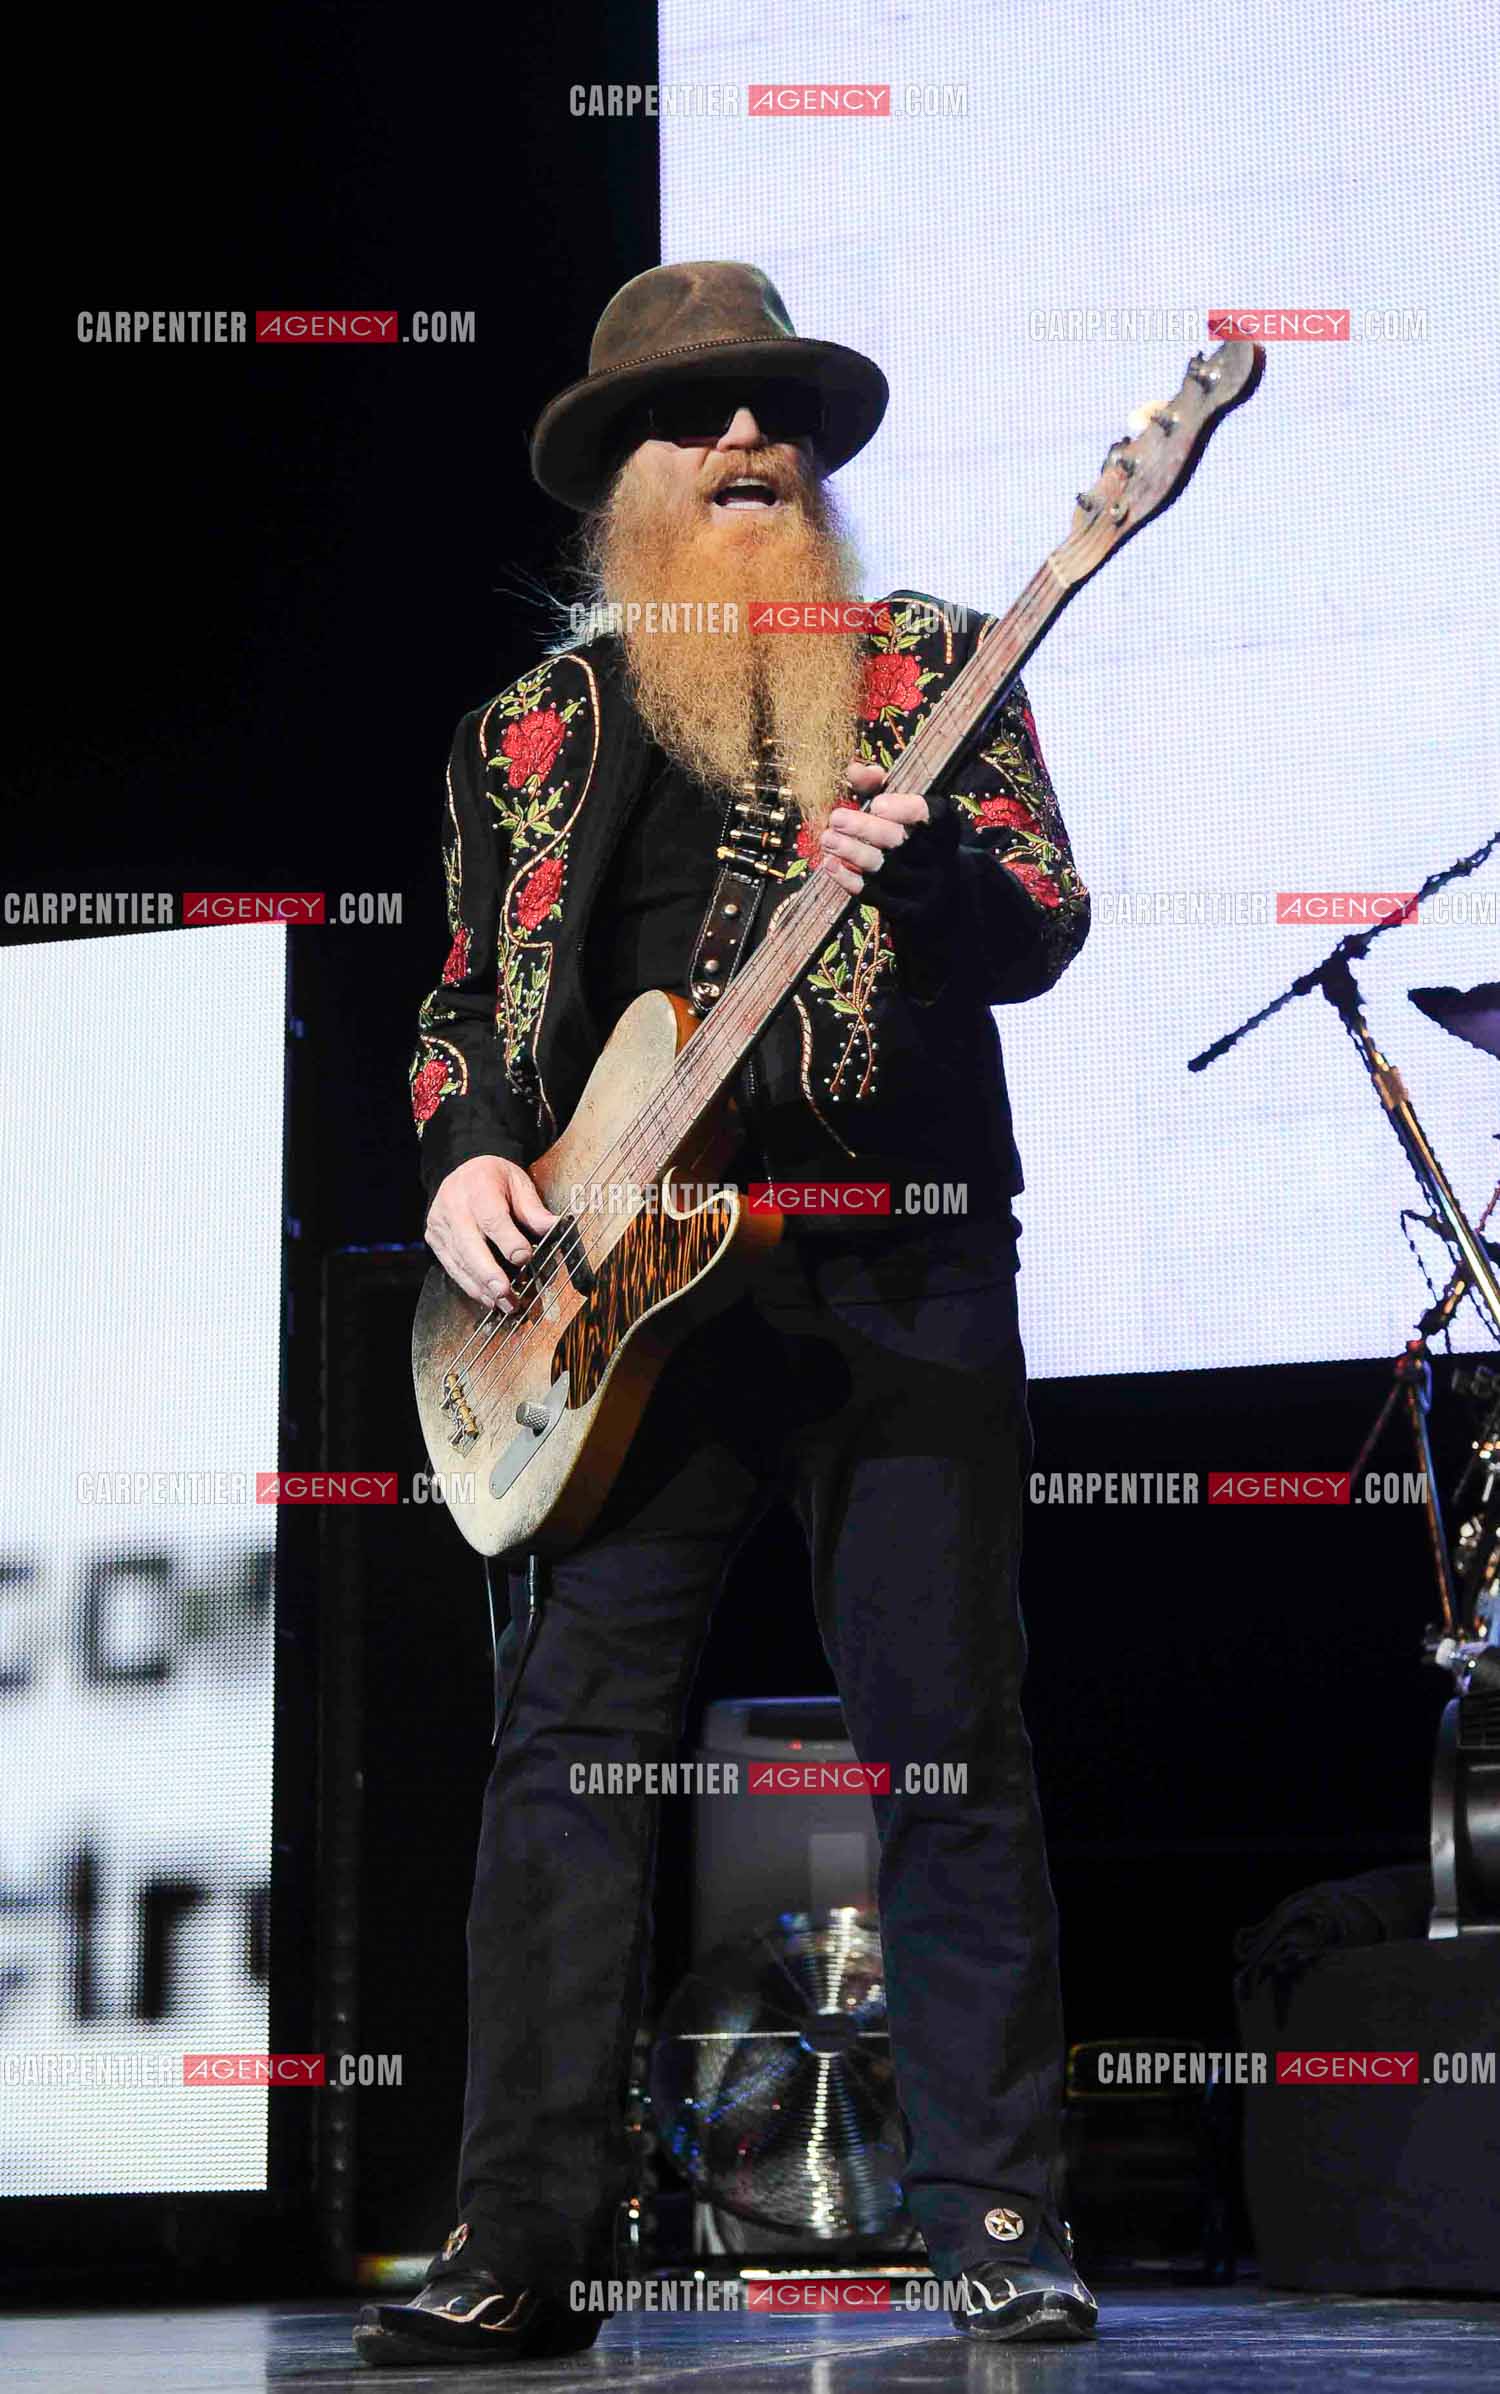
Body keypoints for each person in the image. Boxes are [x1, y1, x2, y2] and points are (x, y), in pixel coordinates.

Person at [355, 261, 1095, 2366]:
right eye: (700, 423)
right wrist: (468, 1159)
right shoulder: (529, 730)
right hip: (613, 1313)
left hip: (897, 1262)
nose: (749, 445)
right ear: (624, 486)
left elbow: (1041, 912)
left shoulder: (933, 668)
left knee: (952, 1744)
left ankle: (1002, 2224)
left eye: (774, 413)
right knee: (567, 1764)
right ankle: (523, 2247)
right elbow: (460, 1007)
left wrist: (934, 874)